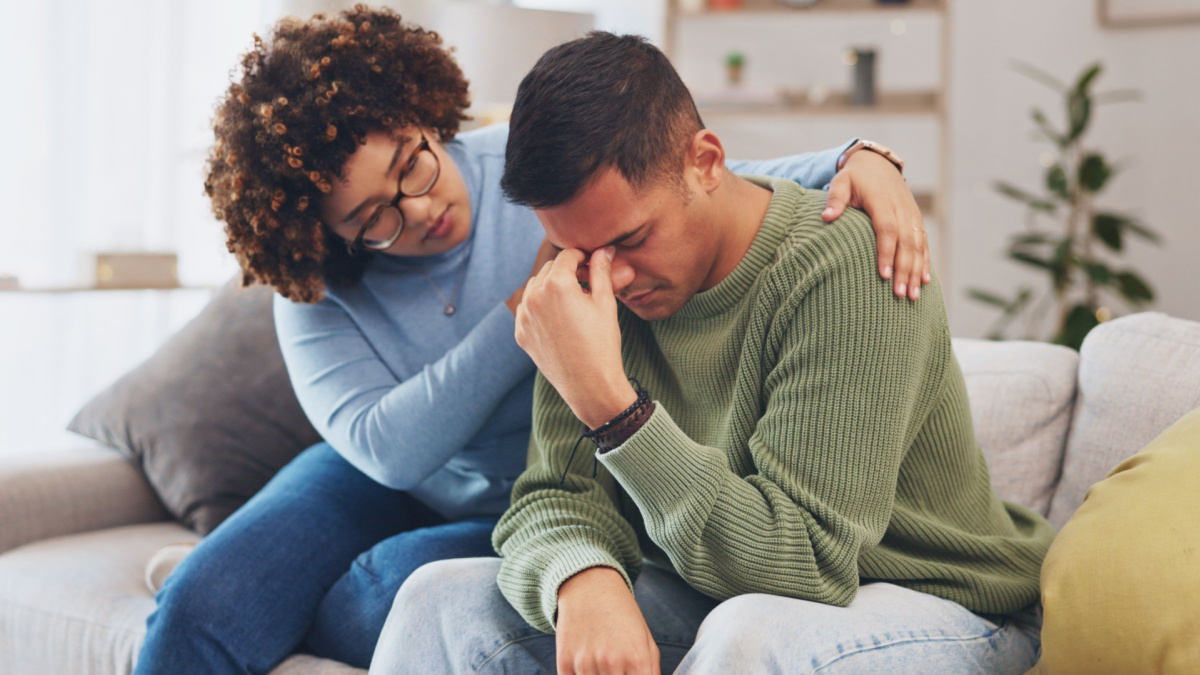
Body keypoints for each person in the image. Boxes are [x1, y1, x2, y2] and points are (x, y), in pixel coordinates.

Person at [134, 7, 931, 674]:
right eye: (371, 217)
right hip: (395, 475)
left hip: (522, 479)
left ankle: (291, 609)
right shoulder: (318, 289)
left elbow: (690, 179)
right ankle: (244, 597)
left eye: (411, 164)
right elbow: (388, 452)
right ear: (328, 239)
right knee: (202, 603)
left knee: (379, 589)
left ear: (423, 114)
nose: (415, 210)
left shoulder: (530, 180)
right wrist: (527, 317)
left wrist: (855, 158)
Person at [368, 32, 1057, 675]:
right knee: (438, 595)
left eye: (632, 239)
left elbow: (805, 563)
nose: (612, 277)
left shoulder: (844, 265)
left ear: (705, 163)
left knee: (746, 637)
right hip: (717, 590)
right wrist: (583, 574)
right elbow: (554, 498)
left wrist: (615, 410)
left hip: (942, 602)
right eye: (581, 250)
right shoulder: (587, 282)